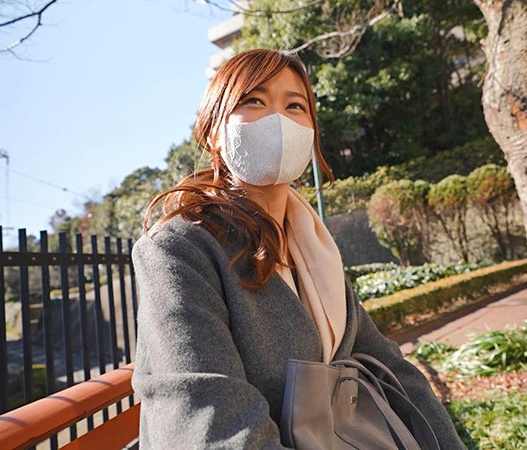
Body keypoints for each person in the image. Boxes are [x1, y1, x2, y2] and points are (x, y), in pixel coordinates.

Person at [131, 48, 468, 449]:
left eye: (295, 106)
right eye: (254, 101)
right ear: (214, 132)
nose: (278, 119)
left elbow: (392, 367)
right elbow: (210, 421)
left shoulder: (312, 248)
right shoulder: (179, 248)